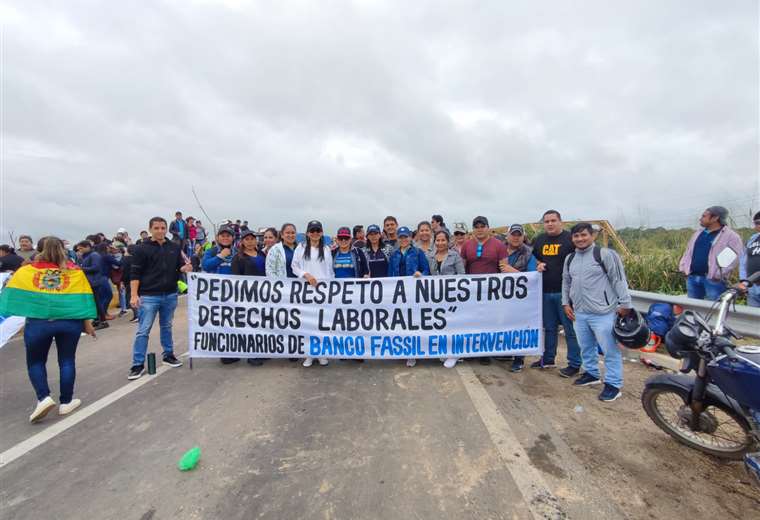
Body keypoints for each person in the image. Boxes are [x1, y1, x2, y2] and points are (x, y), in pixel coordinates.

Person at [0, 237, 97, 422]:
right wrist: (87, 322)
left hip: (38, 323)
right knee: (67, 361)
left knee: (36, 362)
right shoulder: (74, 271)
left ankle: (43, 398)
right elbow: (83, 298)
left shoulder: (26, 271)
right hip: (69, 323)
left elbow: (10, 295)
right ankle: (66, 402)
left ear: (39, 249)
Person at [562, 223, 633, 402]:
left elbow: (618, 279)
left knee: (609, 350)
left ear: (592, 235)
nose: (580, 239)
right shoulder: (570, 258)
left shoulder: (605, 254)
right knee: (586, 347)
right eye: (576, 236)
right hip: (579, 312)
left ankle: (613, 384)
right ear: (572, 239)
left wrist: (625, 303)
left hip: (603, 313)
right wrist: (565, 303)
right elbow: (566, 282)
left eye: (583, 235)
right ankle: (591, 374)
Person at [127, 217, 192, 380]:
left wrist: (186, 268)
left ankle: (168, 355)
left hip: (170, 294)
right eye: (156, 228)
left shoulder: (174, 247)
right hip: (148, 296)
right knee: (143, 330)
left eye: (163, 228)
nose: (160, 231)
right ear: (150, 230)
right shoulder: (141, 249)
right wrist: (134, 295)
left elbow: (179, 267)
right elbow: (134, 274)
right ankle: (137, 364)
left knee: (167, 326)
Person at [531, 210, 583, 376]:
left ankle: (574, 363)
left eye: (553, 220)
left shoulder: (570, 239)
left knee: (570, 330)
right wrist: (538, 264)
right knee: (550, 328)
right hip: (545, 292)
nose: (550, 224)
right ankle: (548, 359)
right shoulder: (539, 240)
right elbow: (534, 258)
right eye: (546, 221)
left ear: (561, 222)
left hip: (566, 294)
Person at [460, 216, 507, 365]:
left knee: (488, 321)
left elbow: (503, 268)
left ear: (488, 227)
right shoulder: (467, 245)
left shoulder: (499, 245)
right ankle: (472, 350)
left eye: (482, 226)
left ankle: (485, 352)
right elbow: (462, 268)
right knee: (472, 321)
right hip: (472, 291)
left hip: (491, 291)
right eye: (476, 226)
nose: (479, 229)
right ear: (473, 229)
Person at [292, 220, 334, 367]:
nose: (315, 233)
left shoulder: (327, 249)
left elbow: (329, 271)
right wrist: (306, 275)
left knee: (322, 324)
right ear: (308, 233)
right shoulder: (301, 247)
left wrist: (331, 287)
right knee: (308, 323)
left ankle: (322, 353)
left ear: (321, 232)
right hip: (306, 290)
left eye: (318, 230)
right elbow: (294, 266)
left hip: (323, 292)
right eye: (312, 231)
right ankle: (309, 354)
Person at [679, 206, 744, 301]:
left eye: (704, 216)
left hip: (714, 281)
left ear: (715, 218)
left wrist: (717, 274)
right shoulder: (698, 233)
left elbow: (735, 258)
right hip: (693, 278)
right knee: (693, 309)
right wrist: (683, 267)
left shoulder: (731, 236)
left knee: (713, 311)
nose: (700, 218)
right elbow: (688, 252)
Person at [388, 226, 430, 367]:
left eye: (406, 237)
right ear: (398, 239)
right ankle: (403, 350)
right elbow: (389, 274)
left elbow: (426, 270)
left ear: (410, 238)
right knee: (401, 322)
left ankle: (413, 352)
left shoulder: (418, 252)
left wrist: (421, 275)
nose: (403, 239)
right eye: (401, 237)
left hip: (414, 293)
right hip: (398, 292)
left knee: (414, 322)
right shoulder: (394, 254)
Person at [499, 224, 538, 372]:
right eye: (513, 234)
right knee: (505, 324)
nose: (516, 237)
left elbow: (533, 277)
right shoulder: (500, 250)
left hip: (521, 298)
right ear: (507, 236)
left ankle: (519, 358)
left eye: (519, 235)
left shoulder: (529, 253)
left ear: (523, 237)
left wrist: (512, 271)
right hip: (501, 296)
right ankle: (508, 352)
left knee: (520, 326)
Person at [428, 230, 465, 368]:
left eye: (443, 240)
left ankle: (454, 353)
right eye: (437, 240)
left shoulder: (455, 256)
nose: (440, 243)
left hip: (452, 296)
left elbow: (462, 275)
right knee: (440, 324)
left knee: (453, 324)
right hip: (436, 297)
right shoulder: (430, 256)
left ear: (448, 241)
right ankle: (444, 349)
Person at [231, 229, 268, 366]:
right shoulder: (238, 258)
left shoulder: (261, 254)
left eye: (252, 239)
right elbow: (236, 279)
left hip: (263, 296)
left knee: (262, 325)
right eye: (247, 239)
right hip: (249, 297)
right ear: (242, 242)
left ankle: (262, 351)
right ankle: (252, 355)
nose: (250, 241)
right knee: (251, 327)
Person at [76, 240, 109, 329]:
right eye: (78, 249)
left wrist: (81, 268)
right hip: (89, 283)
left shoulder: (94, 255)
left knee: (97, 302)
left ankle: (103, 321)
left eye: (81, 248)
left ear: (88, 246)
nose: (80, 250)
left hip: (95, 282)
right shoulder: (84, 256)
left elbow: (96, 267)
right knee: (93, 303)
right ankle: (97, 320)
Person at [739, 211, 760, 307]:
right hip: (752, 287)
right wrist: (744, 282)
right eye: (755, 223)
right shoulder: (752, 239)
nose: (757, 226)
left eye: (759, 223)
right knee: (753, 319)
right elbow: (743, 262)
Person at [121, 244, 138, 322]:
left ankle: (137, 315)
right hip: (138, 280)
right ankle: (138, 315)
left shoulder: (126, 259)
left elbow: (123, 271)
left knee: (131, 298)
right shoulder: (137, 258)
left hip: (129, 281)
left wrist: (122, 282)